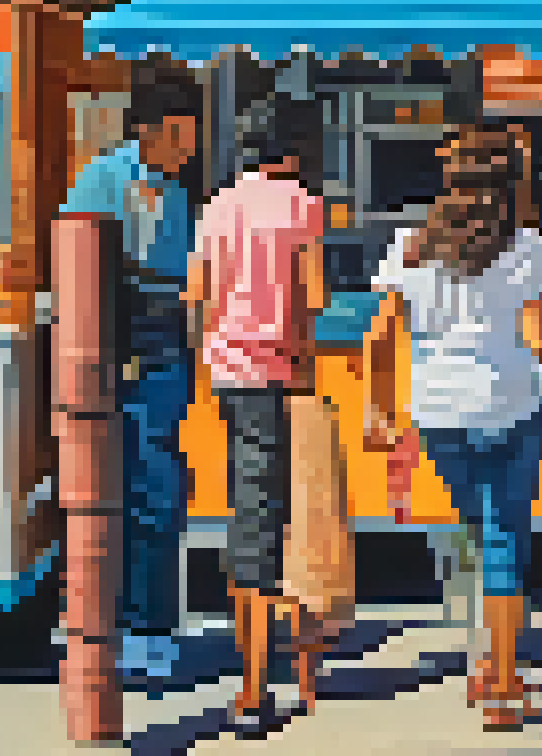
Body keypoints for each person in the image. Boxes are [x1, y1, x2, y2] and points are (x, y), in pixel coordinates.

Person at [363, 124, 542, 730]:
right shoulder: (529, 246)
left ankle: (487, 658)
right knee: (504, 539)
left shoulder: (410, 244)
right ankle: (503, 685)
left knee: (478, 531)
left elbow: (378, 335)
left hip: (439, 412)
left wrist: (380, 410)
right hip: (509, 405)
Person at [187, 97, 328, 727]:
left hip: (228, 375)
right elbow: (311, 298)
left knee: (252, 512)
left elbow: (200, 298)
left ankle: (258, 675)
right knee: (281, 519)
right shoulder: (302, 206)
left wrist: (210, 351)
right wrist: (301, 364)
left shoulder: (217, 207)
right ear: (293, 153)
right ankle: (264, 684)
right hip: (281, 374)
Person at [60, 62, 202, 683]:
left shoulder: (175, 188)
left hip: (169, 338)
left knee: (163, 482)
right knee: (129, 485)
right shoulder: (104, 178)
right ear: (150, 131)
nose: (190, 146)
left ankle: (154, 622)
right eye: (181, 133)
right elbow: (80, 266)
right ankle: (130, 625)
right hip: (121, 338)